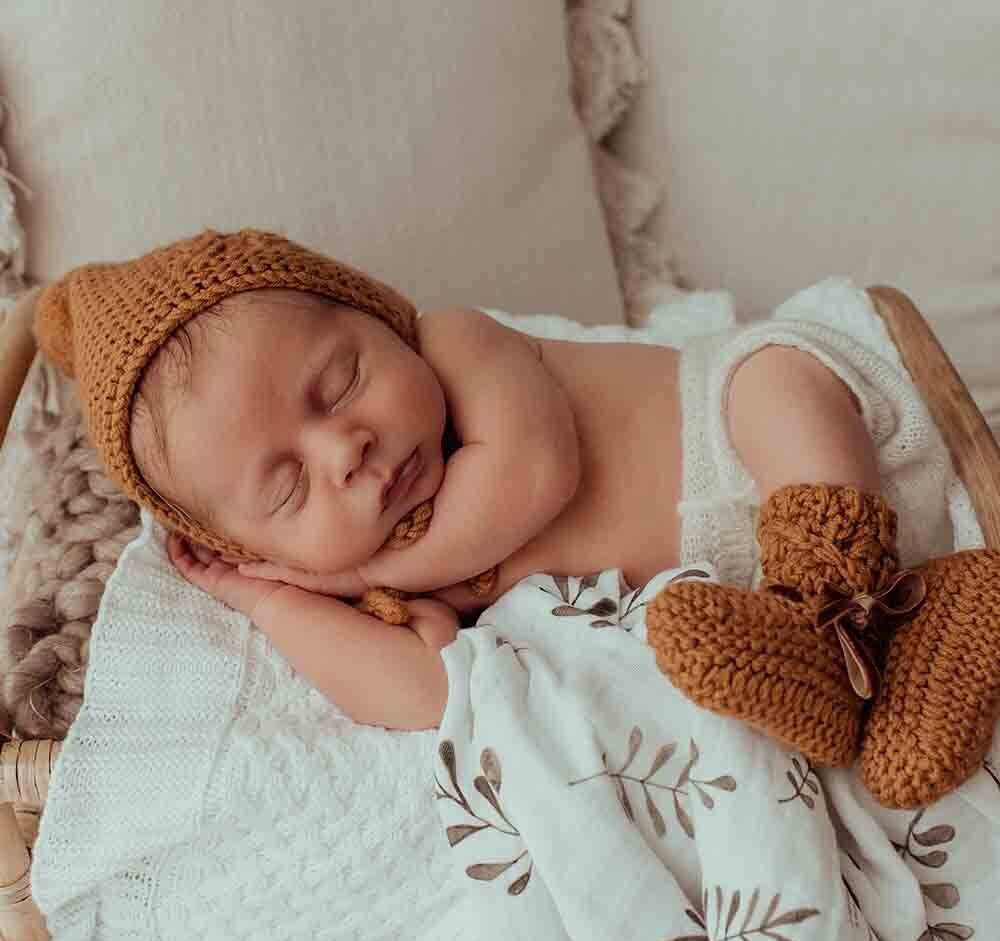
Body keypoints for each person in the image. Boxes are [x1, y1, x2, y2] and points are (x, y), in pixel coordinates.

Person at [33, 228, 1000, 809]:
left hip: (765, 433)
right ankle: (892, 646)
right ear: (256, 545)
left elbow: (536, 475)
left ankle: (841, 598)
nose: (347, 449)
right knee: (701, 669)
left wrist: (354, 570)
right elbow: (425, 695)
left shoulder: (459, 347)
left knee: (776, 383)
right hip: (754, 596)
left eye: (343, 380)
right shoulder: (371, 573)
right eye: (289, 490)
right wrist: (276, 604)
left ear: (379, 315)